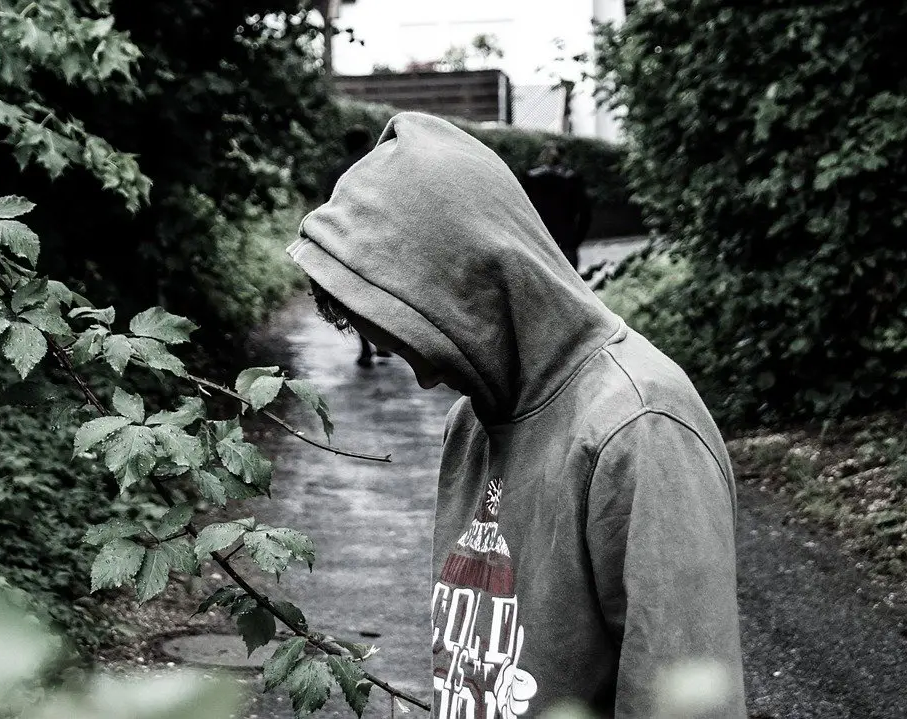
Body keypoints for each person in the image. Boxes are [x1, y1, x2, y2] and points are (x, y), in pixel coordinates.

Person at [289, 112, 745, 719]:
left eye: (422, 340)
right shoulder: (473, 422)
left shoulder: (641, 427)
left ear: (481, 284)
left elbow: (690, 706)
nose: (423, 376)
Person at [325, 125, 391, 367]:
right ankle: (384, 342)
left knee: (356, 297)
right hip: (379, 239)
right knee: (382, 292)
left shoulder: (336, 172)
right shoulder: (381, 166)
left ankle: (366, 348)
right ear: (367, 143)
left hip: (349, 240)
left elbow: (328, 208)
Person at [520, 141, 593, 271]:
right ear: (563, 157)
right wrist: (575, 241)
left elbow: (521, 211)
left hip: (538, 242)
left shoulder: (531, 179)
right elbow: (585, 215)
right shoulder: (572, 179)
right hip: (566, 242)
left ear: (543, 156)